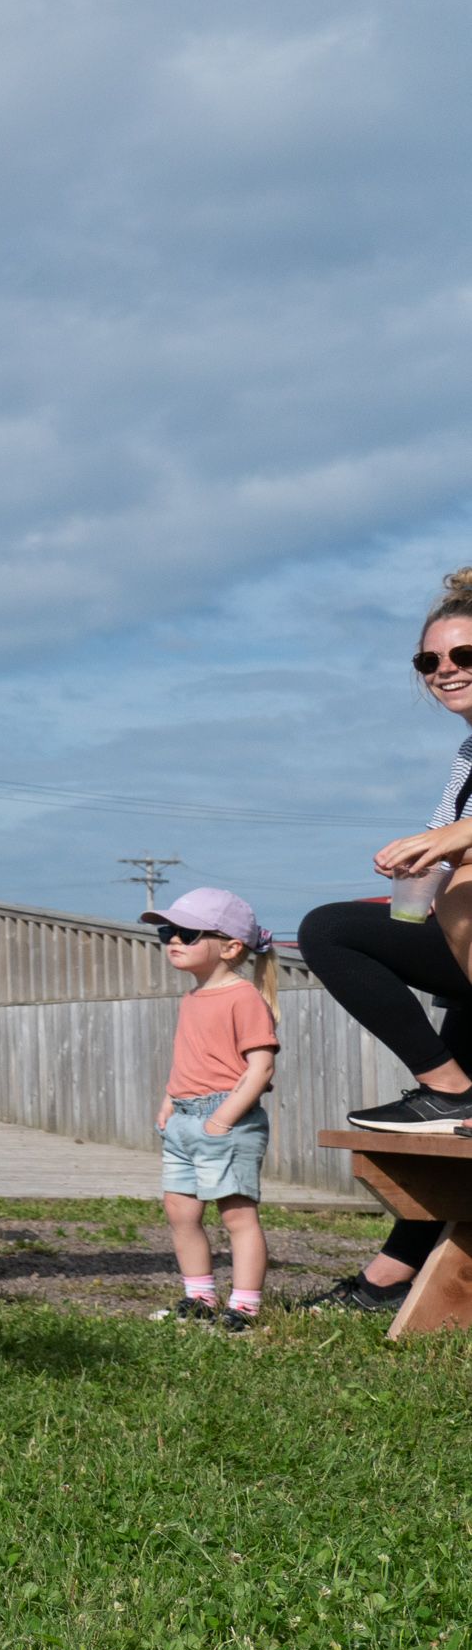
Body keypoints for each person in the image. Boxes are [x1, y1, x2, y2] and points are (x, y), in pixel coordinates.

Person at [294, 567, 472, 1312]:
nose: (444, 672)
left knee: (328, 929)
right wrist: (418, 872)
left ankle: (448, 1088)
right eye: (428, 662)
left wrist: (451, 837)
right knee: (454, 1149)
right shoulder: (466, 761)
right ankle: (386, 1281)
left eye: (464, 655)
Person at [143, 888, 281, 1329]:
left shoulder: (243, 997)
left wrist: (222, 1119)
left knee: (237, 1216)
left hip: (226, 1120)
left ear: (231, 946)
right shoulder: (192, 998)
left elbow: (259, 1069)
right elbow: (189, 1058)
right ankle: (199, 1296)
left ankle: (243, 1307)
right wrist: (170, 1101)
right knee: (179, 1212)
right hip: (184, 1120)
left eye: (186, 932)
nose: (173, 941)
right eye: (168, 932)